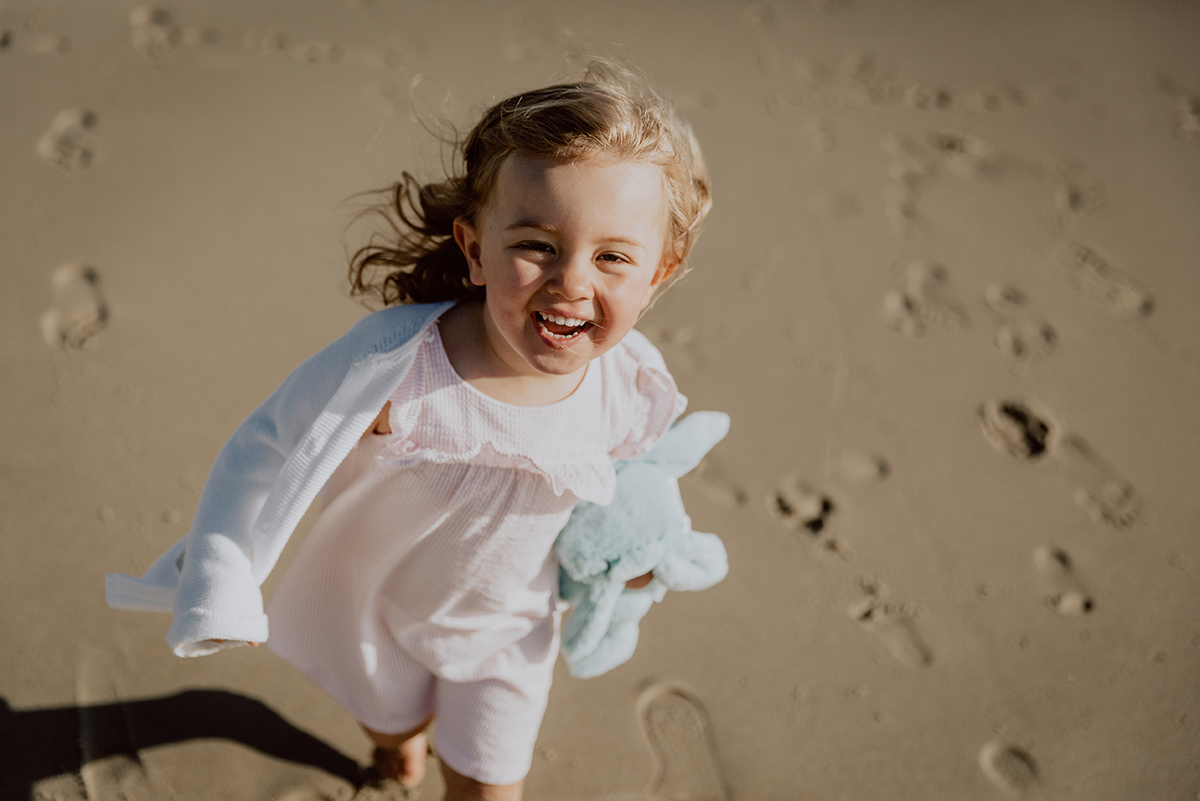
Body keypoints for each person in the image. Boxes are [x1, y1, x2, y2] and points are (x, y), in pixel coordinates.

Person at [105, 61, 712, 800]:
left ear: (658, 275)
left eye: (613, 256)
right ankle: (397, 744)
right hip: (376, 608)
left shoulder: (629, 381)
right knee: (390, 725)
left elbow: (635, 479)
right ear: (474, 246)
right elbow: (266, 445)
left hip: (508, 630)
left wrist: (637, 557)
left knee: (488, 786)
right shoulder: (398, 363)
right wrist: (222, 579)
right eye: (537, 245)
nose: (572, 281)